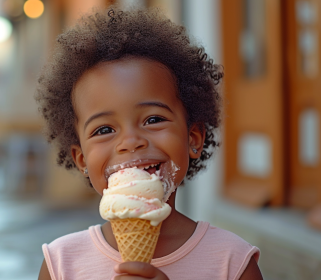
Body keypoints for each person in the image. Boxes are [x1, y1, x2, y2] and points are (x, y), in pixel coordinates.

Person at [35, 7, 262, 280]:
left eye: (153, 119)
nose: (130, 142)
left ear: (193, 138)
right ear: (82, 159)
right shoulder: (61, 264)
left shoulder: (233, 262)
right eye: (104, 129)